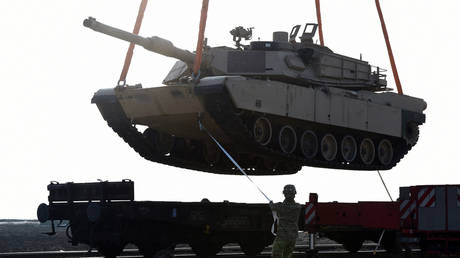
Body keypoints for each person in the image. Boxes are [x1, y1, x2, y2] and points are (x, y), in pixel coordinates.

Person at [269, 184, 302, 258]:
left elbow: (273, 207)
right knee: (287, 256)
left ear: (284, 193)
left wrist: (271, 204)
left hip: (282, 236)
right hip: (292, 237)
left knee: (276, 255)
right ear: (295, 193)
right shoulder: (298, 206)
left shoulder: (279, 206)